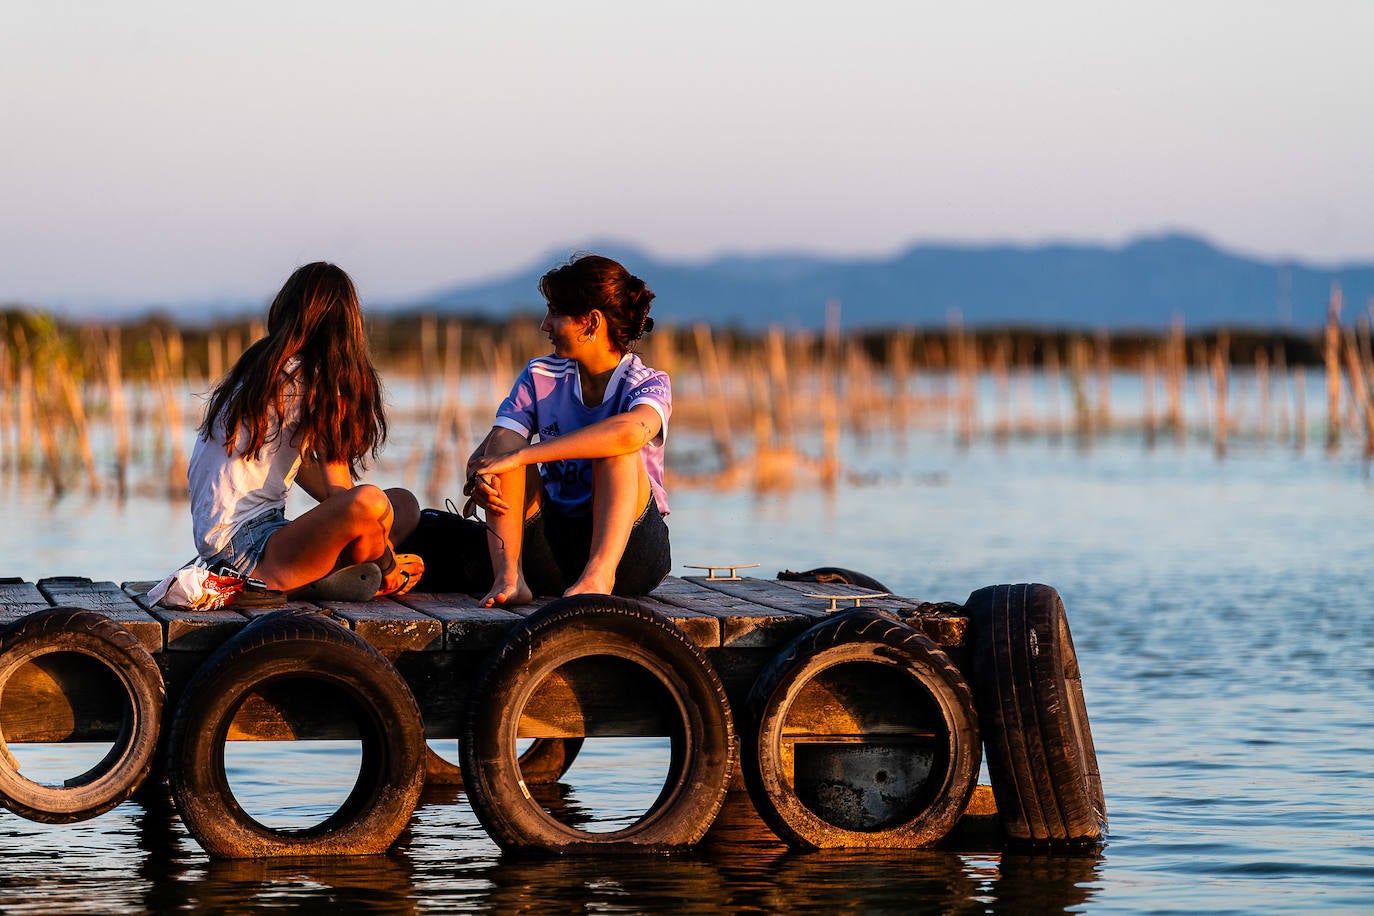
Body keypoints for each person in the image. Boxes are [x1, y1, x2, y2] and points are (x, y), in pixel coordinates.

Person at [402, 254, 671, 606]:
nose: (545, 325)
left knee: (614, 449)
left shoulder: (647, 382)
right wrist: (485, 473)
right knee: (503, 454)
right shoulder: (540, 375)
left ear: (591, 323)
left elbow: (630, 433)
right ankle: (510, 578)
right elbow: (500, 443)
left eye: (556, 312)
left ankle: (598, 576)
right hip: (552, 549)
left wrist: (523, 455)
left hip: (631, 555)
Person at [187, 261, 423, 598]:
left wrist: (348, 519)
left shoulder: (265, 367)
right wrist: (388, 561)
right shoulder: (314, 379)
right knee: (372, 502)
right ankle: (368, 574)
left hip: (235, 544)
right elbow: (343, 494)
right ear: (347, 324)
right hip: (246, 555)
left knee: (403, 505)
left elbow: (300, 471)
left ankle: (329, 576)